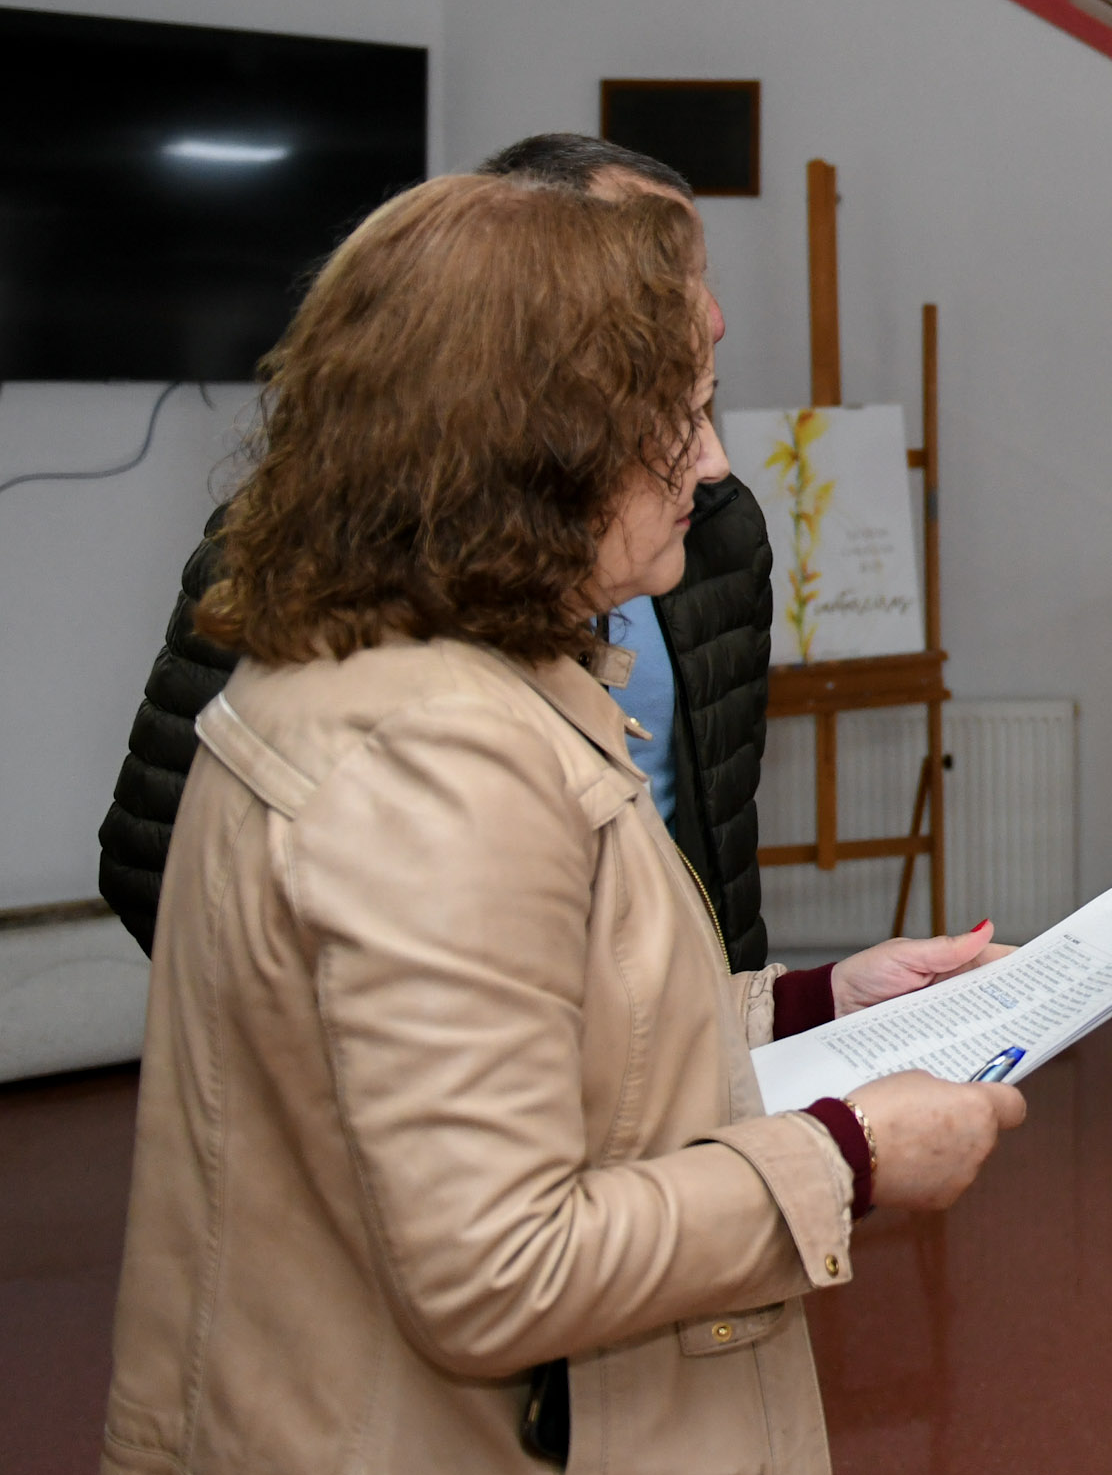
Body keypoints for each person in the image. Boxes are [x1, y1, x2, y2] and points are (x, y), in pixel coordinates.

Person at [100, 176, 1023, 1475]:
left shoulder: (394, 671)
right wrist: (852, 1154)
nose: (714, 466)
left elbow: (536, 1028)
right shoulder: (438, 753)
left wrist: (818, 1002)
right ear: (542, 446)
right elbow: (499, 1266)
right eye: (683, 418)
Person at [97, 134, 781, 971]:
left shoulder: (715, 527)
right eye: (651, 274)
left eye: (696, 270)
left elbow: (717, 838)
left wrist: (752, 1011)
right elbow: (168, 862)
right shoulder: (314, 556)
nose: (710, 314)